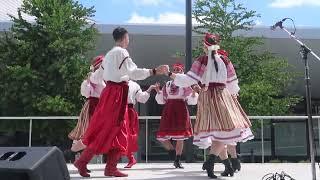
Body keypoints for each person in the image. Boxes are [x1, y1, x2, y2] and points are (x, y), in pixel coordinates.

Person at [73, 27, 169, 177]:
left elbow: (97, 77)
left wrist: (90, 78)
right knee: (116, 130)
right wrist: (154, 71)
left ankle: (107, 167)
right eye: (128, 37)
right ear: (124, 38)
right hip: (117, 95)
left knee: (112, 131)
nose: (128, 40)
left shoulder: (109, 55)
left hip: (110, 95)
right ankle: (90, 163)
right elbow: (133, 72)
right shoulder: (122, 52)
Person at [168, 33, 253, 178]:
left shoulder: (202, 60)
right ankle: (223, 164)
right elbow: (233, 82)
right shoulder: (225, 60)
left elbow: (188, 79)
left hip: (207, 96)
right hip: (223, 95)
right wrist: (234, 95)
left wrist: (170, 74)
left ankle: (214, 162)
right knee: (223, 132)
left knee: (218, 133)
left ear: (205, 45)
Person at [155, 63, 198, 169]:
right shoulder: (168, 84)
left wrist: (193, 93)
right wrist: (158, 92)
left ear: (182, 71)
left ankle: (177, 159)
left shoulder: (185, 84)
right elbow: (162, 100)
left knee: (180, 136)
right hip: (169, 108)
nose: (177, 71)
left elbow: (191, 100)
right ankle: (173, 154)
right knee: (162, 137)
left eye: (179, 70)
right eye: (175, 70)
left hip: (180, 108)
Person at [68, 55, 105, 147]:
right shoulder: (93, 78)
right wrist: (88, 82)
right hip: (93, 105)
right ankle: (81, 153)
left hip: (102, 105)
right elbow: (86, 93)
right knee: (89, 131)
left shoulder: (105, 79)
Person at [124, 80, 157, 168]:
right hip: (116, 110)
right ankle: (118, 161)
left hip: (129, 111)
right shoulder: (113, 80)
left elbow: (142, 98)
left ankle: (130, 158)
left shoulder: (134, 84)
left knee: (128, 135)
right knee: (115, 135)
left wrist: (150, 89)